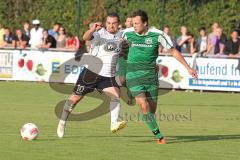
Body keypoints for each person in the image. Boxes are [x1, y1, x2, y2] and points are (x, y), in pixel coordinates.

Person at [122, 10, 197, 144]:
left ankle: (150, 121)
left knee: (151, 109)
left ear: (145, 23)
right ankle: (159, 136)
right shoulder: (127, 33)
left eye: (137, 23)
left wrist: (188, 68)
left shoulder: (158, 34)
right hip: (133, 75)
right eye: (133, 23)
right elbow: (115, 45)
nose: (134, 26)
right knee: (143, 105)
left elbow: (173, 51)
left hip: (151, 77)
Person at [57, 13, 127, 138]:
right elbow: (85, 37)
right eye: (109, 23)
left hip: (108, 76)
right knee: (75, 99)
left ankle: (113, 123)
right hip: (91, 73)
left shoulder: (122, 35)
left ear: (118, 24)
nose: (111, 25)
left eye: (114, 23)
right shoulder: (100, 33)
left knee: (116, 95)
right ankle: (62, 121)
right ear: (106, 23)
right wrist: (92, 29)